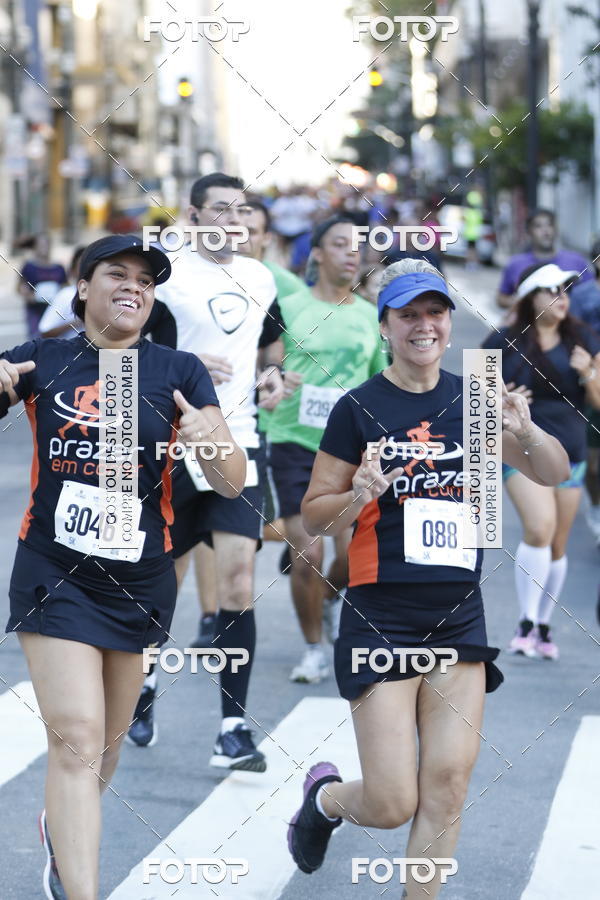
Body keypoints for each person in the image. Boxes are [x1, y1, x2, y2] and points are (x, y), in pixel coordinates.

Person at [286, 258, 569, 896]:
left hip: (457, 613)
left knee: (447, 786)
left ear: (449, 321)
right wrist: (358, 495)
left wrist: (525, 428)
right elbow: (315, 516)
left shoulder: (476, 400)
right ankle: (325, 801)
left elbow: (550, 471)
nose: (424, 325)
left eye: (435, 312)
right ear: (385, 325)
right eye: (408, 314)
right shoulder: (359, 407)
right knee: (391, 803)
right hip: (379, 614)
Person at [1, 234, 246, 900]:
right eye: (117, 274)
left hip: (140, 577)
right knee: (76, 735)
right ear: (83, 288)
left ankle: (63, 824)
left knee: (103, 748)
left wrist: (211, 439)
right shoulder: (41, 358)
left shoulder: (179, 370)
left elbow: (230, 483)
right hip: (53, 568)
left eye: (146, 279)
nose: (133, 287)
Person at [128, 173, 285, 769]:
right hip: (168, 446)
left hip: (235, 443)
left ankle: (232, 729)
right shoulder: (165, 277)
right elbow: (125, 345)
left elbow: (270, 343)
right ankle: (141, 689)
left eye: (240, 211)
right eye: (219, 209)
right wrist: (186, 363)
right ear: (192, 216)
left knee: (240, 582)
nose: (231, 220)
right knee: (159, 586)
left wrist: (270, 377)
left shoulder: (260, 277)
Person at [268, 215, 384, 683]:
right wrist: (272, 378)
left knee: (352, 558)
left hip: (350, 450)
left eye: (357, 246)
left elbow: (382, 378)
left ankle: (331, 599)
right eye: (339, 244)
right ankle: (314, 647)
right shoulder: (289, 305)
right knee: (308, 554)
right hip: (293, 440)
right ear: (317, 254)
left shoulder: (370, 315)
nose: (351, 253)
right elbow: (267, 361)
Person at [483, 262, 600, 659]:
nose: (562, 298)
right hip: (518, 448)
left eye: (566, 291)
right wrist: (502, 400)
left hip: (571, 451)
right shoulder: (501, 341)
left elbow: (599, 403)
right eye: (552, 290)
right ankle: (526, 621)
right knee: (539, 527)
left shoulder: (584, 339)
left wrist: (589, 375)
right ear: (531, 297)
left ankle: (544, 625)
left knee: (558, 543)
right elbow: (474, 402)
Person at [496, 209, 592, 310]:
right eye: (538, 226)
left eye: (549, 225)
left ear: (556, 229)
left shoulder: (576, 261)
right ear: (529, 232)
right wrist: (526, 303)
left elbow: (592, 294)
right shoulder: (515, 264)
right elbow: (501, 298)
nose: (546, 231)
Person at [568, 238, 600, 541]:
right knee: (593, 463)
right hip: (591, 378)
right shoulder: (583, 295)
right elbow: (572, 332)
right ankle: (596, 506)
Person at [18, 234, 67, 339]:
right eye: (40, 245)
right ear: (35, 247)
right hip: (35, 311)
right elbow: (21, 286)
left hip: (54, 309)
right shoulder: (28, 267)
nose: (44, 248)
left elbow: (65, 287)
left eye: (46, 244)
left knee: (55, 341)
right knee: (37, 340)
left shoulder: (58, 267)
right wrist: (29, 296)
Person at [39, 246, 85, 339]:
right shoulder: (66, 295)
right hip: (73, 352)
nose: (88, 270)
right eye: (82, 266)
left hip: (105, 352)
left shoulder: (106, 295)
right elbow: (45, 331)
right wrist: (78, 322)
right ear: (72, 270)